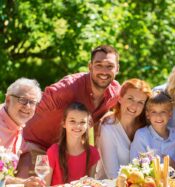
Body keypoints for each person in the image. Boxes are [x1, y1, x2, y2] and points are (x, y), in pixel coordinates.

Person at [19, 45, 120, 177]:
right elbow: (29, 106)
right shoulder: (67, 89)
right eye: (98, 65)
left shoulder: (115, 92)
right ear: (90, 66)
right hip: (35, 146)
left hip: (65, 152)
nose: (104, 71)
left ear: (117, 69)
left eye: (110, 66)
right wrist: (17, 138)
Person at [96, 79, 152, 179]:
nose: (134, 106)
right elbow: (112, 174)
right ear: (120, 98)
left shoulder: (145, 127)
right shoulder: (108, 127)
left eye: (140, 102)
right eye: (130, 99)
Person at [0, 78, 44, 187]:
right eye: (22, 100)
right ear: (8, 100)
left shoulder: (17, 124)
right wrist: (22, 183)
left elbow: (25, 149)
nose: (27, 106)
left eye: (32, 102)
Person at [45, 102, 100, 186]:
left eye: (82, 122)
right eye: (72, 121)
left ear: (87, 125)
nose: (77, 126)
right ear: (64, 123)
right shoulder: (53, 151)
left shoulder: (93, 153)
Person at [130, 91, 175, 169]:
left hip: (174, 180)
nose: (158, 116)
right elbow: (134, 164)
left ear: (170, 114)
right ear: (147, 114)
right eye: (154, 112)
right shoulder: (141, 136)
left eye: (163, 112)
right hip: (147, 180)